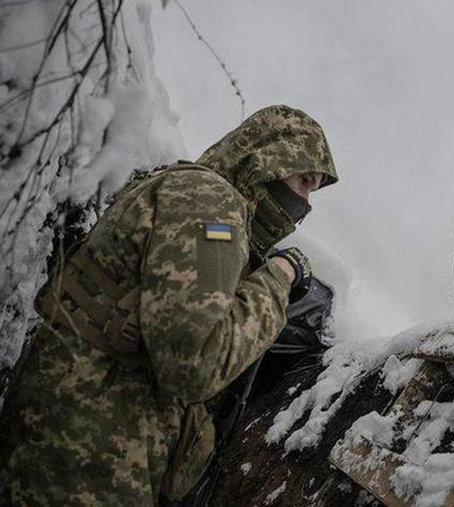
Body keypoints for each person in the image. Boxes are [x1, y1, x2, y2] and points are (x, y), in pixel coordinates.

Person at [0, 105, 338, 505]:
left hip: (72, 440)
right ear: (268, 159)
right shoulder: (210, 203)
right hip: (88, 456)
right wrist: (279, 276)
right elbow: (195, 365)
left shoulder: (191, 195)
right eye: (303, 181)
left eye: (312, 191)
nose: (304, 203)